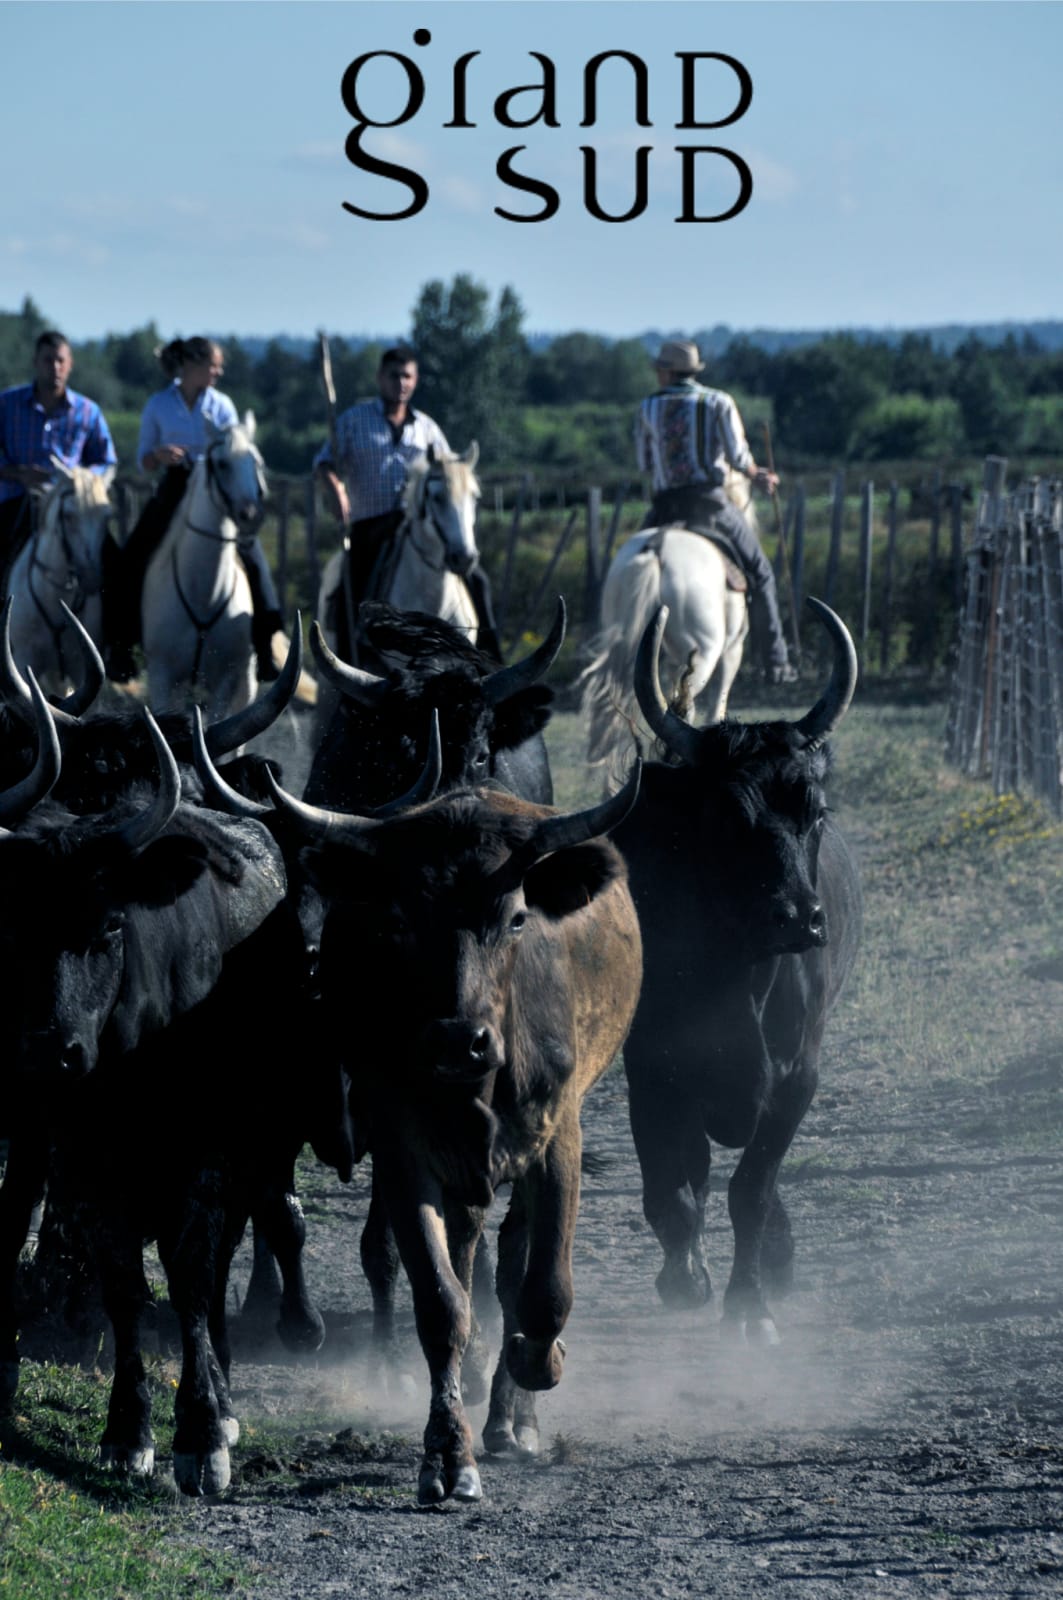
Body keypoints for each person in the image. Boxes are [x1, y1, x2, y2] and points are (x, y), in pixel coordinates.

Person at [104, 336, 284, 683]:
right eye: (213, 365)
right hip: (175, 486)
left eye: (218, 366)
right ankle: (122, 647)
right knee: (133, 556)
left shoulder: (223, 405)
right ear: (190, 365)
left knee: (252, 556)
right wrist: (159, 456)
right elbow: (143, 461)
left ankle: (266, 645)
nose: (218, 372)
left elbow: (235, 451)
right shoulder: (158, 404)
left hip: (215, 490)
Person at [313, 345, 501, 661]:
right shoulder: (354, 420)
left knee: (477, 579)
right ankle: (348, 661)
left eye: (407, 376)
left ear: (415, 380)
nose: (401, 383)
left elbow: (450, 472)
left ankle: (491, 660)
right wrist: (336, 491)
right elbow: (324, 462)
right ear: (380, 378)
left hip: (417, 523)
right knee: (351, 584)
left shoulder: (427, 428)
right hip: (371, 523)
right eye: (394, 375)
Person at [635, 338, 797, 684]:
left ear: (668, 372)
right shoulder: (718, 402)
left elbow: (644, 463)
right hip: (710, 505)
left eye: (660, 369)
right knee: (761, 573)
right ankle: (776, 661)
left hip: (664, 507)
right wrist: (758, 476)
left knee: (630, 562)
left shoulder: (648, 406)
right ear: (692, 371)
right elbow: (738, 458)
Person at [0, 329, 117, 575]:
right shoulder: (7, 404)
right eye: (48, 360)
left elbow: (106, 461)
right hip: (17, 500)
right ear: (36, 362)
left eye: (60, 360)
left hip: (71, 505)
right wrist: (18, 474)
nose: (55, 367)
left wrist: (79, 479)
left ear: (70, 364)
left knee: (112, 565)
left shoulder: (88, 411)